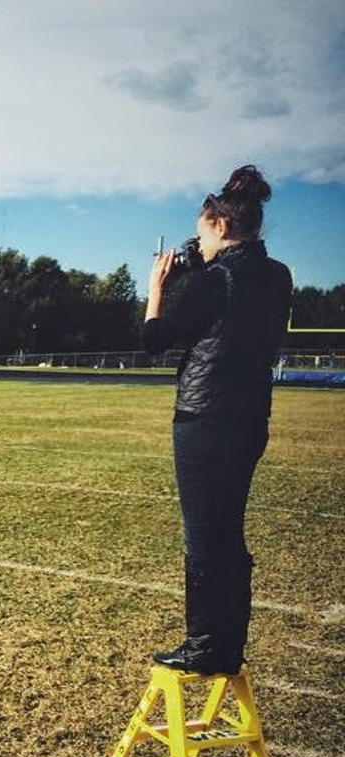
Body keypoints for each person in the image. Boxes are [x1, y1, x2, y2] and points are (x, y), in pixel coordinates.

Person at [143, 165, 292, 674]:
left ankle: (205, 644)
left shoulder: (216, 277)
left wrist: (158, 286)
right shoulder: (277, 275)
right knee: (229, 532)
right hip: (250, 418)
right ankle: (228, 643)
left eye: (203, 232)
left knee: (204, 536)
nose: (198, 243)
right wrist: (196, 272)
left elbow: (156, 340)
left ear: (221, 227)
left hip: (204, 418)